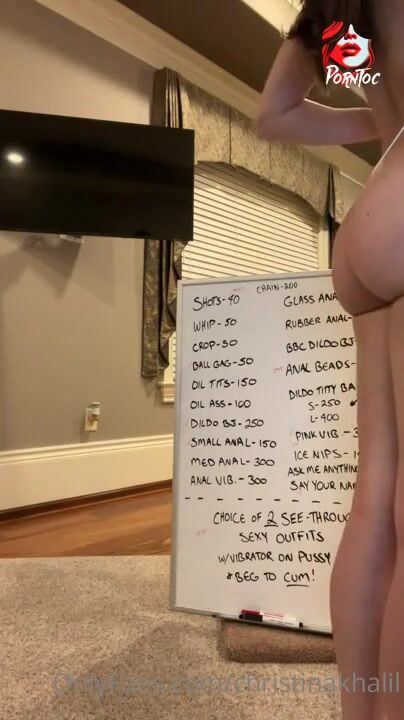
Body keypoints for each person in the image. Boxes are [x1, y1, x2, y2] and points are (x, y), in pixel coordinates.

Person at [257, 2, 404, 719]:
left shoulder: (343, 11)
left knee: (376, 496)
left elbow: (276, 115)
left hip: (381, 200)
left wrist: (380, 119)